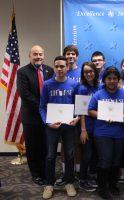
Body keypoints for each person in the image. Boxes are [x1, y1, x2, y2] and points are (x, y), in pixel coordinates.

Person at [40, 56, 80, 199]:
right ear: (54, 66)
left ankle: (69, 182)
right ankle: (49, 184)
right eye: (57, 66)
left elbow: (79, 106)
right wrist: (47, 122)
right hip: (52, 126)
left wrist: (77, 118)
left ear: (67, 67)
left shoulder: (74, 85)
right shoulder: (47, 85)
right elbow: (42, 107)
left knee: (69, 155)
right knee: (50, 156)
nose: (59, 69)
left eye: (62, 66)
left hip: (68, 126)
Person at [17, 45, 54, 186]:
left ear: (43, 55)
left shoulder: (49, 70)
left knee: (45, 146)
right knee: (32, 147)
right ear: (30, 55)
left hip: (47, 116)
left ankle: (45, 172)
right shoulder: (22, 72)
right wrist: (43, 106)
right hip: (30, 117)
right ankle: (36, 174)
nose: (38, 57)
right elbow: (24, 94)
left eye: (40, 54)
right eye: (35, 54)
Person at [88, 67, 124, 199]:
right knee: (105, 160)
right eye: (109, 78)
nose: (112, 81)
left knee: (116, 161)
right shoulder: (98, 94)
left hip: (119, 133)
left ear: (118, 80)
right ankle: (102, 187)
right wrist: (103, 115)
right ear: (104, 80)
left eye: (114, 78)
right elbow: (90, 110)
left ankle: (112, 184)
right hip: (102, 133)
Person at [55, 45, 82, 186]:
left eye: (73, 54)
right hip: (61, 116)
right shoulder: (59, 73)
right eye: (68, 54)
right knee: (64, 145)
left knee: (76, 145)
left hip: (77, 116)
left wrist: (78, 116)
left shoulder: (81, 72)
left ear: (76, 56)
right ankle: (65, 171)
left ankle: (76, 171)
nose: (70, 56)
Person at [77, 62, 100, 192]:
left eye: (90, 71)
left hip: (98, 127)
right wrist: (83, 130)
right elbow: (81, 111)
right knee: (87, 154)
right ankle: (82, 180)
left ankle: (91, 177)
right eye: (86, 72)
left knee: (95, 155)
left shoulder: (100, 87)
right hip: (87, 127)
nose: (89, 74)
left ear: (95, 72)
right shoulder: (82, 88)